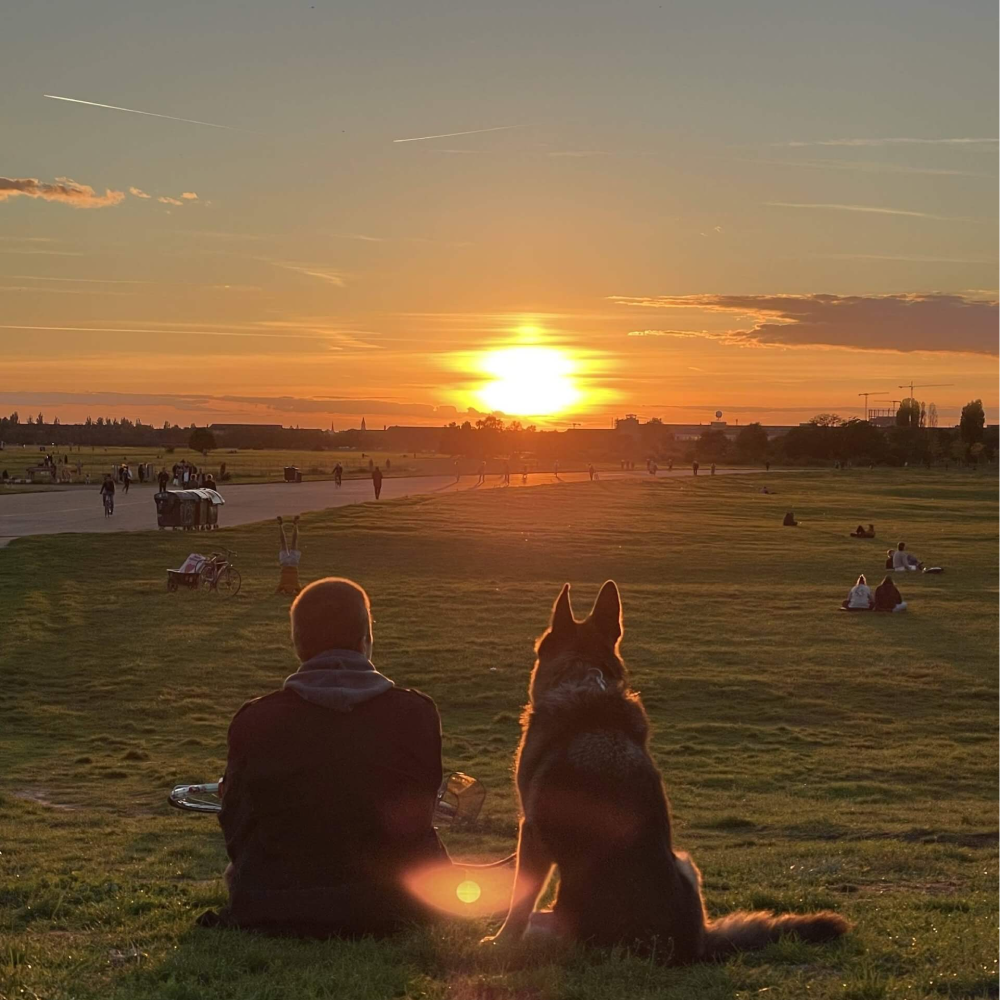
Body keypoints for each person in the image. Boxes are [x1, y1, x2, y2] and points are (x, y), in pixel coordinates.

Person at [213, 577, 449, 936]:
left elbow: (235, 822)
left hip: (275, 901)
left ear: (297, 644)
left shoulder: (256, 719)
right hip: (398, 903)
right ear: (367, 639)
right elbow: (420, 814)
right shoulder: (416, 713)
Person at [275, 516, 302, 595]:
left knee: (287, 542)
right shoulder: (294, 586)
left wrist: (281, 593)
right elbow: (301, 592)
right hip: (290, 563)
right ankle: (294, 525)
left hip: (287, 564)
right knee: (292, 542)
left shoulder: (283, 585)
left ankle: (282, 525)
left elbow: (276, 593)